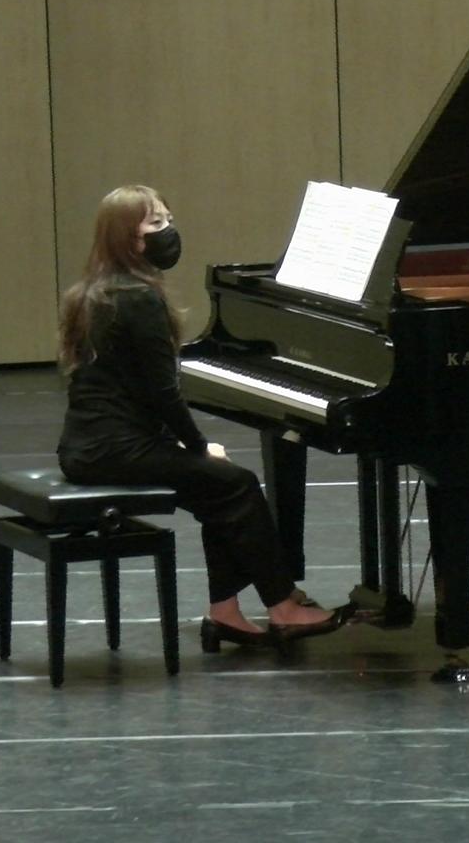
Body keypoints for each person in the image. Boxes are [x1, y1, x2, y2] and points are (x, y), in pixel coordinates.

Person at [56, 184, 344, 652]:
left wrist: (185, 449)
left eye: (169, 219)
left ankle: (226, 612)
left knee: (218, 491)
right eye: (155, 223)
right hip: (117, 449)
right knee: (238, 484)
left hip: (87, 445)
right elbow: (163, 395)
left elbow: (130, 390)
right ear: (127, 237)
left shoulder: (93, 292)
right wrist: (197, 446)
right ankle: (283, 606)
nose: (169, 231)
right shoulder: (138, 298)